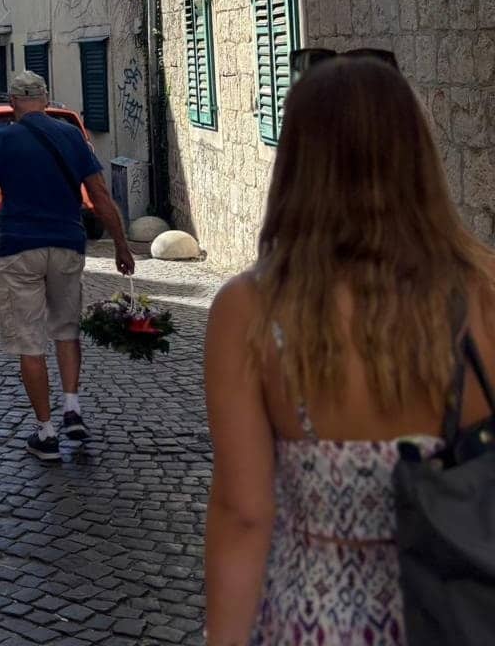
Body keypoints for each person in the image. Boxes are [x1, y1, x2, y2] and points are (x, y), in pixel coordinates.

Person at [203, 55, 495, 646]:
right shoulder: (484, 291)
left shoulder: (250, 309)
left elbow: (245, 513)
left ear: (296, 163)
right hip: (464, 610)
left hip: (314, 618)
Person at [0, 70, 133, 462]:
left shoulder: (2, 140)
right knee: (66, 330)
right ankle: (72, 408)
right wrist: (121, 244)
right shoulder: (72, 136)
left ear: (13, 102)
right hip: (67, 244)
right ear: (46, 100)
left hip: (20, 247)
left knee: (29, 341)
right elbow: (99, 194)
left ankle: (47, 432)